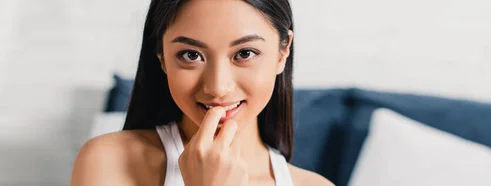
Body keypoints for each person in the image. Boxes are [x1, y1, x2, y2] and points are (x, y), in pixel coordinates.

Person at [71, 0, 334, 185]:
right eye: (191, 55)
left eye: (245, 54)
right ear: (161, 57)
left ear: (282, 53)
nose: (218, 87)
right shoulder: (109, 162)